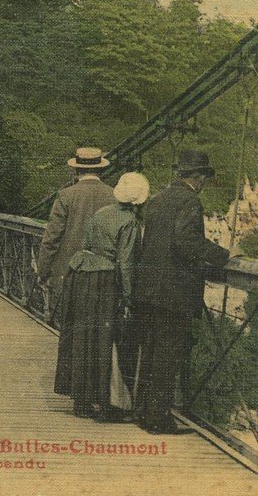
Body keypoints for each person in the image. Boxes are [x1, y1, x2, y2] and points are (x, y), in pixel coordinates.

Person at [133, 150, 239, 435]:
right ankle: (158, 419)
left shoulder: (157, 199)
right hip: (173, 292)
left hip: (148, 289)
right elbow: (186, 242)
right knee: (168, 356)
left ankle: (144, 412)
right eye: (203, 176)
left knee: (152, 352)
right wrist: (223, 254)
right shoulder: (190, 200)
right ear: (199, 177)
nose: (204, 182)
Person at [54, 172, 149, 422]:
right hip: (104, 280)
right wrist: (128, 299)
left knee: (82, 336)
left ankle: (82, 401)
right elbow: (126, 264)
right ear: (139, 201)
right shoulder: (130, 221)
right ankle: (108, 404)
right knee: (105, 340)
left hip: (80, 274)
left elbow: (86, 242)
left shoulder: (102, 212)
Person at [36, 147, 117, 323]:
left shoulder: (66, 196)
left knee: (70, 327)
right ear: (100, 169)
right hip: (104, 274)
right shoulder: (113, 195)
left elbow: (51, 239)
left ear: (76, 169)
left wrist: (43, 272)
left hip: (70, 273)